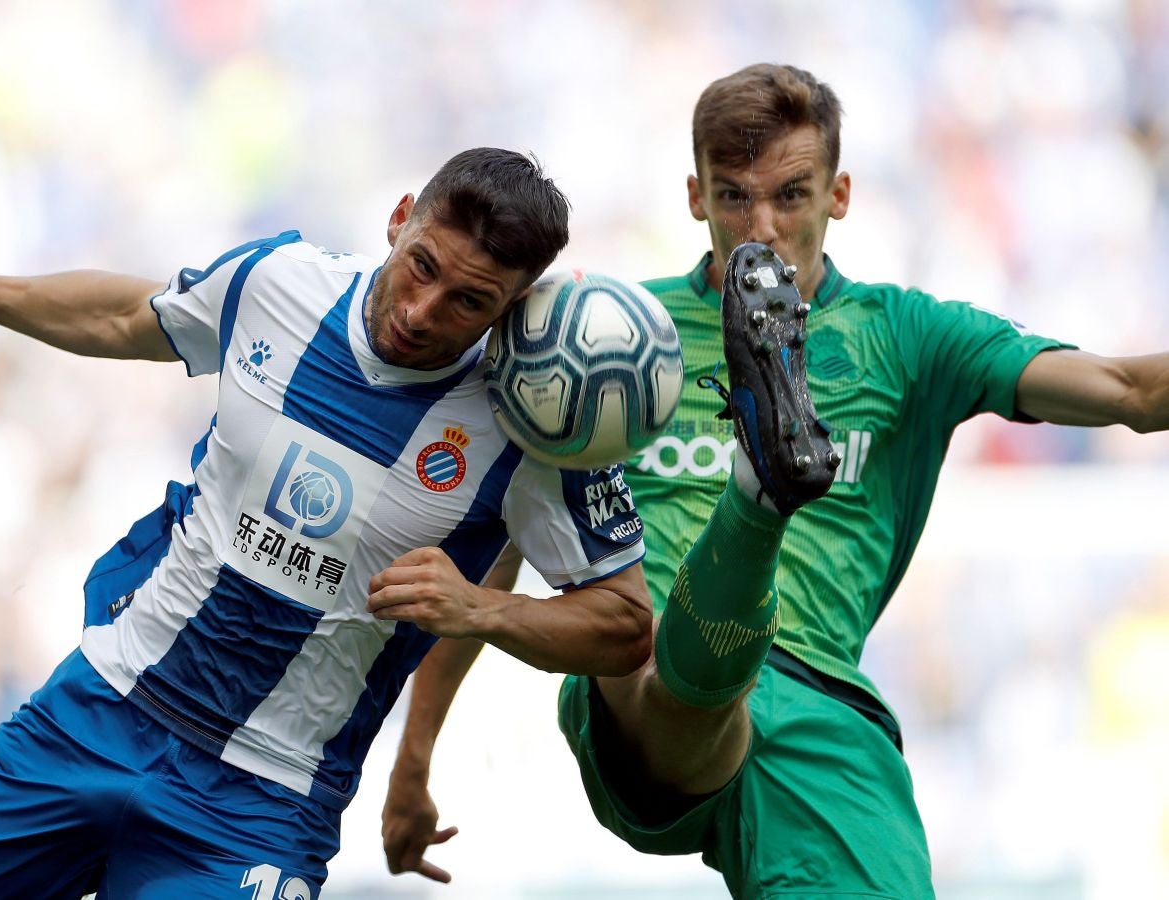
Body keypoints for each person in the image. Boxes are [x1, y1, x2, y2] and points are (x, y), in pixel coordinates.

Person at [381, 65, 1169, 898]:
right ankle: (759, 495)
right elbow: (501, 542)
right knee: (662, 661)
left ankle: (761, 482)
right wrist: (413, 762)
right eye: (733, 199)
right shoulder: (605, 341)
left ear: (841, 193)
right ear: (694, 196)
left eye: (791, 196)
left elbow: (1131, 393)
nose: (761, 230)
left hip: (820, 711)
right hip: (642, 688)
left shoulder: (909, 337)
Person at [0, 148, 655, 900]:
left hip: (262, 803)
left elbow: (623, 627)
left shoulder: (534, 424)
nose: (422, 309)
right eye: (422, 266)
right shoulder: (279, 280)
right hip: (97, 709)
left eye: (469, 301)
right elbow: (125, 317)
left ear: (511, 310)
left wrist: (482, 609)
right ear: (400, 218)